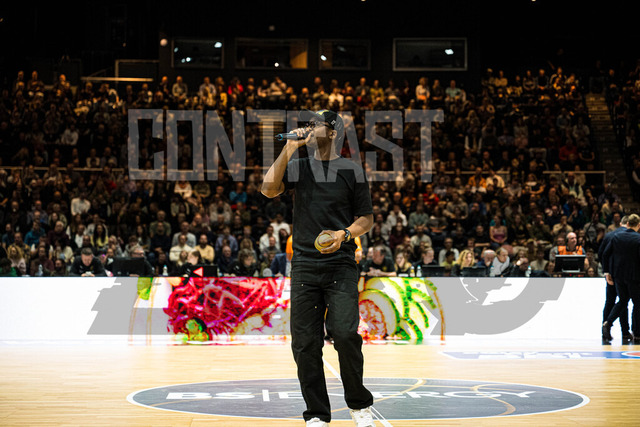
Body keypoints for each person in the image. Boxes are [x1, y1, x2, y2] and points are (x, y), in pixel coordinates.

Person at [261, 109, 375, 427]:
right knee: (305, 343)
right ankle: (316, 414)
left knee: (345, 334)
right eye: (308, 124)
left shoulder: (351, 170)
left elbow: (367, 218)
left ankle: (359, 405)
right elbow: (268, 189)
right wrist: (289, 147)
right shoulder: (298, 166)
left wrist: (344, 234)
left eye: (317, 125)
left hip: (340, 264)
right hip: (305, 265)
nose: (310, 128)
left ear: (333, 132)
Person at [601, 214, 640, 344]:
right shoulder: (638, 239)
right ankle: (637, 333)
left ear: (627, 224)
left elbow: (605, 254)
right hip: (634, 276)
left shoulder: (616, 236)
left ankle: (608, 322)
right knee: (637, 303)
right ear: (638, 225)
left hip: (618, 276)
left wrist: (607, 272)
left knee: (622, 301)